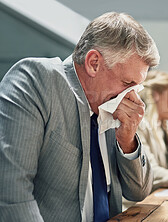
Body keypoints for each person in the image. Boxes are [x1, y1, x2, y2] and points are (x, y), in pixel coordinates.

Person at [0, 12, 159, 221]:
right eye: (127, 83)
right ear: (93, 62)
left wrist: (127, 139)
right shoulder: (36, 81)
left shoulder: (113, 107)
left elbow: (138, 192)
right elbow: (12, 193)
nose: (131, 95)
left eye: (136, 87)